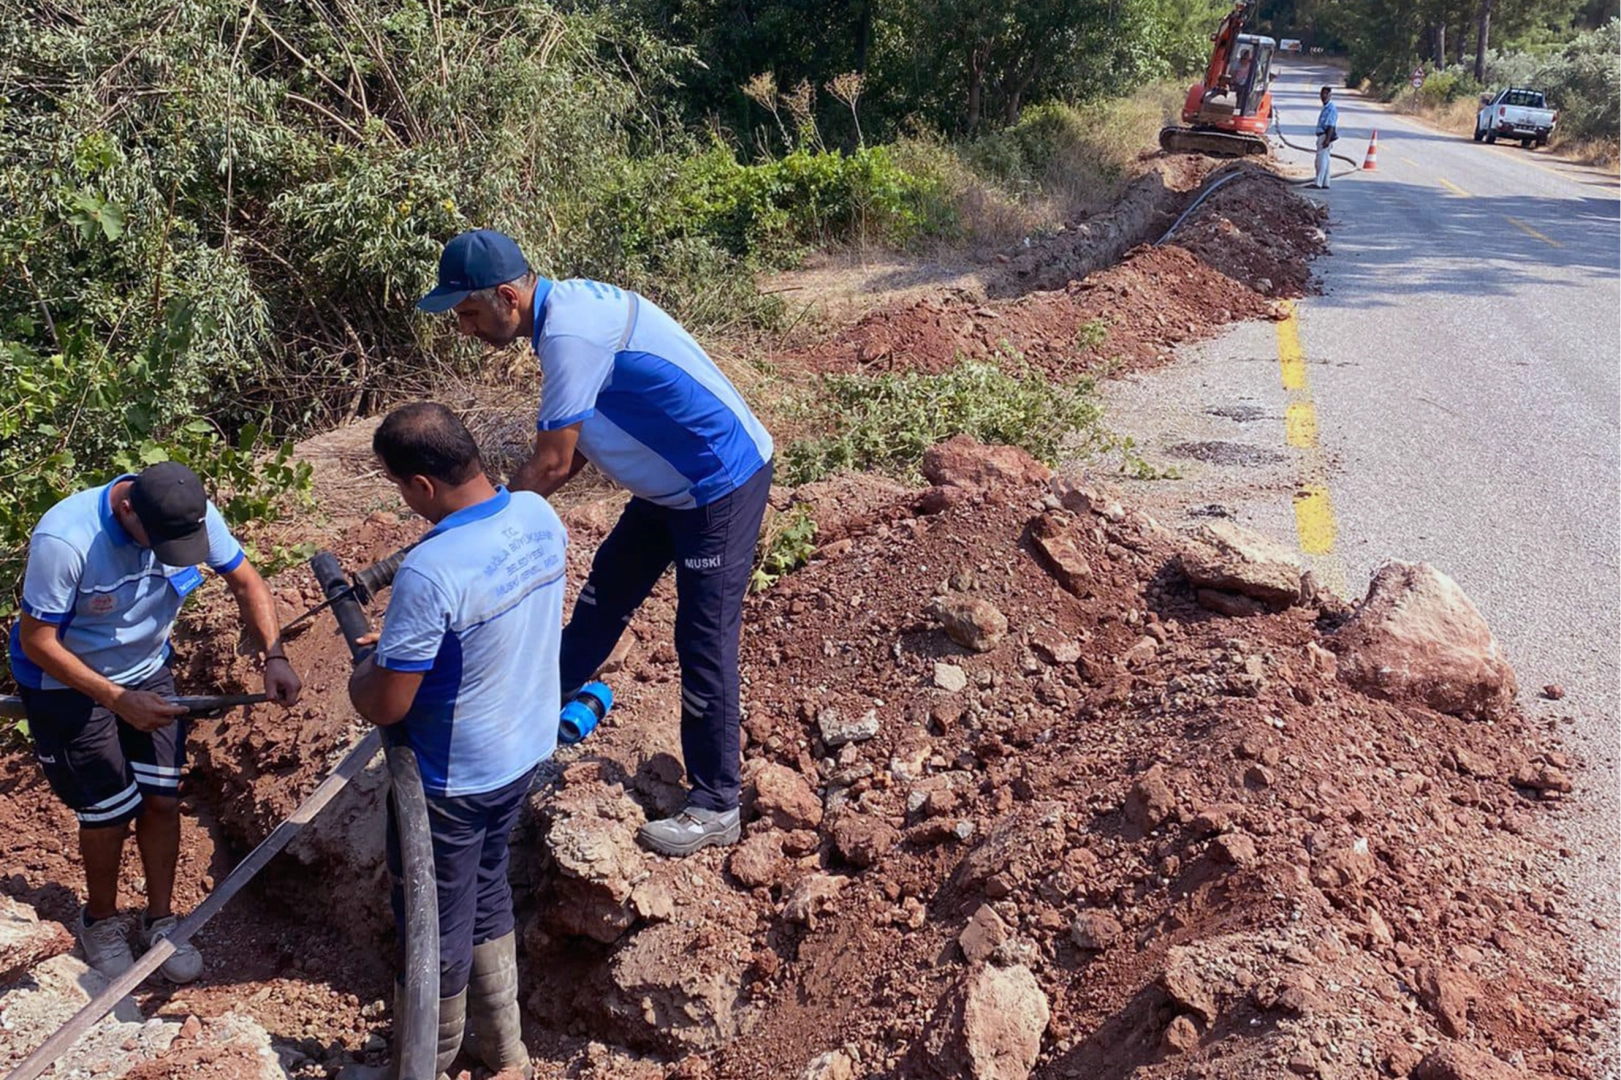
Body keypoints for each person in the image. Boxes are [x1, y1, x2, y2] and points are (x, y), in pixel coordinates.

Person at [416, 229, 773, 858]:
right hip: (669, 489)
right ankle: (531, 729)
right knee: (602, 599)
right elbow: (574, 447)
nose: (465, 329)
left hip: (718, 483)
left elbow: (552, 466)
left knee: (703, 636)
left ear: (506, 296)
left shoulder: (569, 334)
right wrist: (502, 508)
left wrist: (482, 527)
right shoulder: (561, 317)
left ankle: (718, 804)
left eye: (468, 313)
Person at [9, 462, 303, 982]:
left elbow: (247, 581)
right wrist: (117, 699)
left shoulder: (187, 515)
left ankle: (161, 921)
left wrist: (274, 655)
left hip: (147, 670)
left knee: (162, 799)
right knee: (107, 813)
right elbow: (37, 641)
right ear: (127, 509)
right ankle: (99, 921)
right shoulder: (67, 539)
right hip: (65, 682)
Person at [348, 403, 567, 1079]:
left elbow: (388, 701)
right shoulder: (536, 514)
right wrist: (400, 648)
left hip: (455, 777)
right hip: (522, 750)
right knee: (487, 887)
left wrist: (366, 672)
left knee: (432, 922)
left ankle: (421, 1065)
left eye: (396, 486)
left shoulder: (432, 569)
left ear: (419, 486)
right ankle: (503, 1051)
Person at [1314, 85, 1339, 189]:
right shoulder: (1326, 107)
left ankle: (1318, 183)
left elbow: (1331, 125)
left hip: (1325, 135)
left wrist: (1327, 140)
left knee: (1320, 160)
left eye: (1326, 94)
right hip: (1323, 135)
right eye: (1322, 94)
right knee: (1326, 160)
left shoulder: (1331, 108)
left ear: (1330, 95)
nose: (1323, 96)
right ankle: (1325, 183)